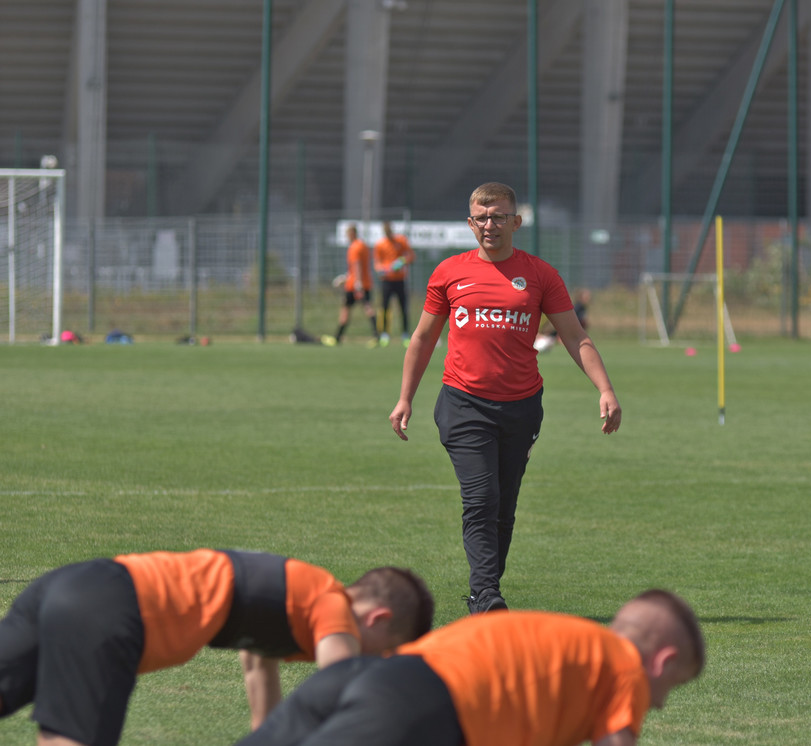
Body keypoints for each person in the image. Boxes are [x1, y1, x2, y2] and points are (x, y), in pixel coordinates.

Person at [389, 182, 622, 615]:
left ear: (517, 221)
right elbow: (422, 339)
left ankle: (486, 590)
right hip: (463, 403)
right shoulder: (449, 273)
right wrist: (405, 399)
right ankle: (486, 597)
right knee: (481, 498)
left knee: (504, 504)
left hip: (521, 406)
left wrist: (605, 389)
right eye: (481, 217)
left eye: (498, 217)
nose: (489, 225)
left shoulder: (540, 274)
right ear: (470, 223)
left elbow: (574, 336)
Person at [0, 549, 434, 746]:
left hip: (76, 582)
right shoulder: (331, 604)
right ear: (379, 618)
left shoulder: (295, 601)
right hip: (112, 609)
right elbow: (338, 691)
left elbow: (256, 664)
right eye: (380, 656)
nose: (369, 664)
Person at [235, 588, 705, 746]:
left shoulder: (562, 640)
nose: (659, 703)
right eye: (672, 686)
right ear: (662, 661)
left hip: (370, 676)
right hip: (423, 705)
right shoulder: (623, 665)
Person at [324, 224, 378, 346]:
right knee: (366, 308)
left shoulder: (354, 247)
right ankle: (376, 335)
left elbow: (357, 265)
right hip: (364, 282)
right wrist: (345, 278)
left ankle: (338, 337)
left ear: (352, 234)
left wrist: (357, 283)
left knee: (349, 310)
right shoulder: (363, 246)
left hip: (355, 285)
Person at [374, 220, 416, 347]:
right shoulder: (380, 244)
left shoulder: (401, 241)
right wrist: (381, 270)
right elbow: (377, 262)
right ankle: (385, 335)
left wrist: (402, 261)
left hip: (400, 279)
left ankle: (405, 335)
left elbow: (411, 256)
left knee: (403, 308)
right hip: (387, 280)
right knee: (385, 307)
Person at [534, 288, 591, 352]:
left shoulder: (582, 307)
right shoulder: (578, 307)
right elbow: (567, 322)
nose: (589, 298)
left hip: (557, 335)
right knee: (543, 344)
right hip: (550, 336)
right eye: (586, 296)